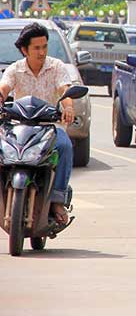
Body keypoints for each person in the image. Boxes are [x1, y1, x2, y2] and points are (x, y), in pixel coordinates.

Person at [0, 22, 75, 225]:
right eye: (36, 48)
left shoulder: (56, 67)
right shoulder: (15, 69)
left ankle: (57, 200)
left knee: (65, 146)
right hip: (18, 128)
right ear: (25, 50)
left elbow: (65, 92)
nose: (41, 52)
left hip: (48, 128)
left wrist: (68, 107)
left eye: (44, 47)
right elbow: (4, 88)